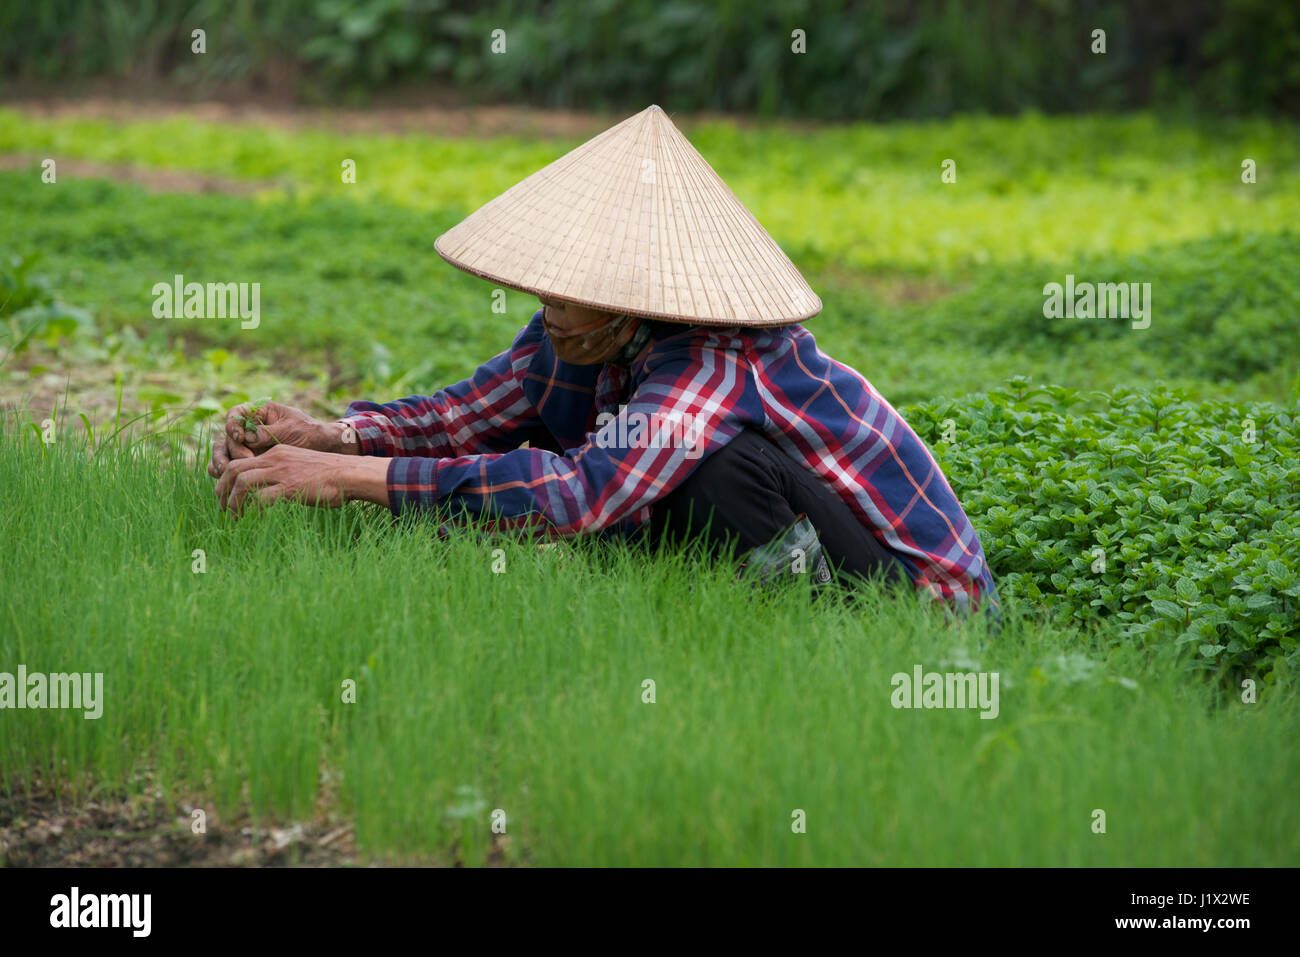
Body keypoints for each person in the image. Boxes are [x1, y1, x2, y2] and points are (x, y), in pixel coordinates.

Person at [209, 105, 1000, 619]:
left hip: (925, 607)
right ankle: (724, 615)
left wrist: (353, 484)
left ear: (633, 298)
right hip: (824, 547)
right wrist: (334, 437)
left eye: (573, 290)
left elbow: (586, 493)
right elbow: (471, 411)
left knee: (717, 469)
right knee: (576, 441)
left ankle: (815, 634)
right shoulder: (576, 334)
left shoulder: (716, 361)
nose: (550, 303)